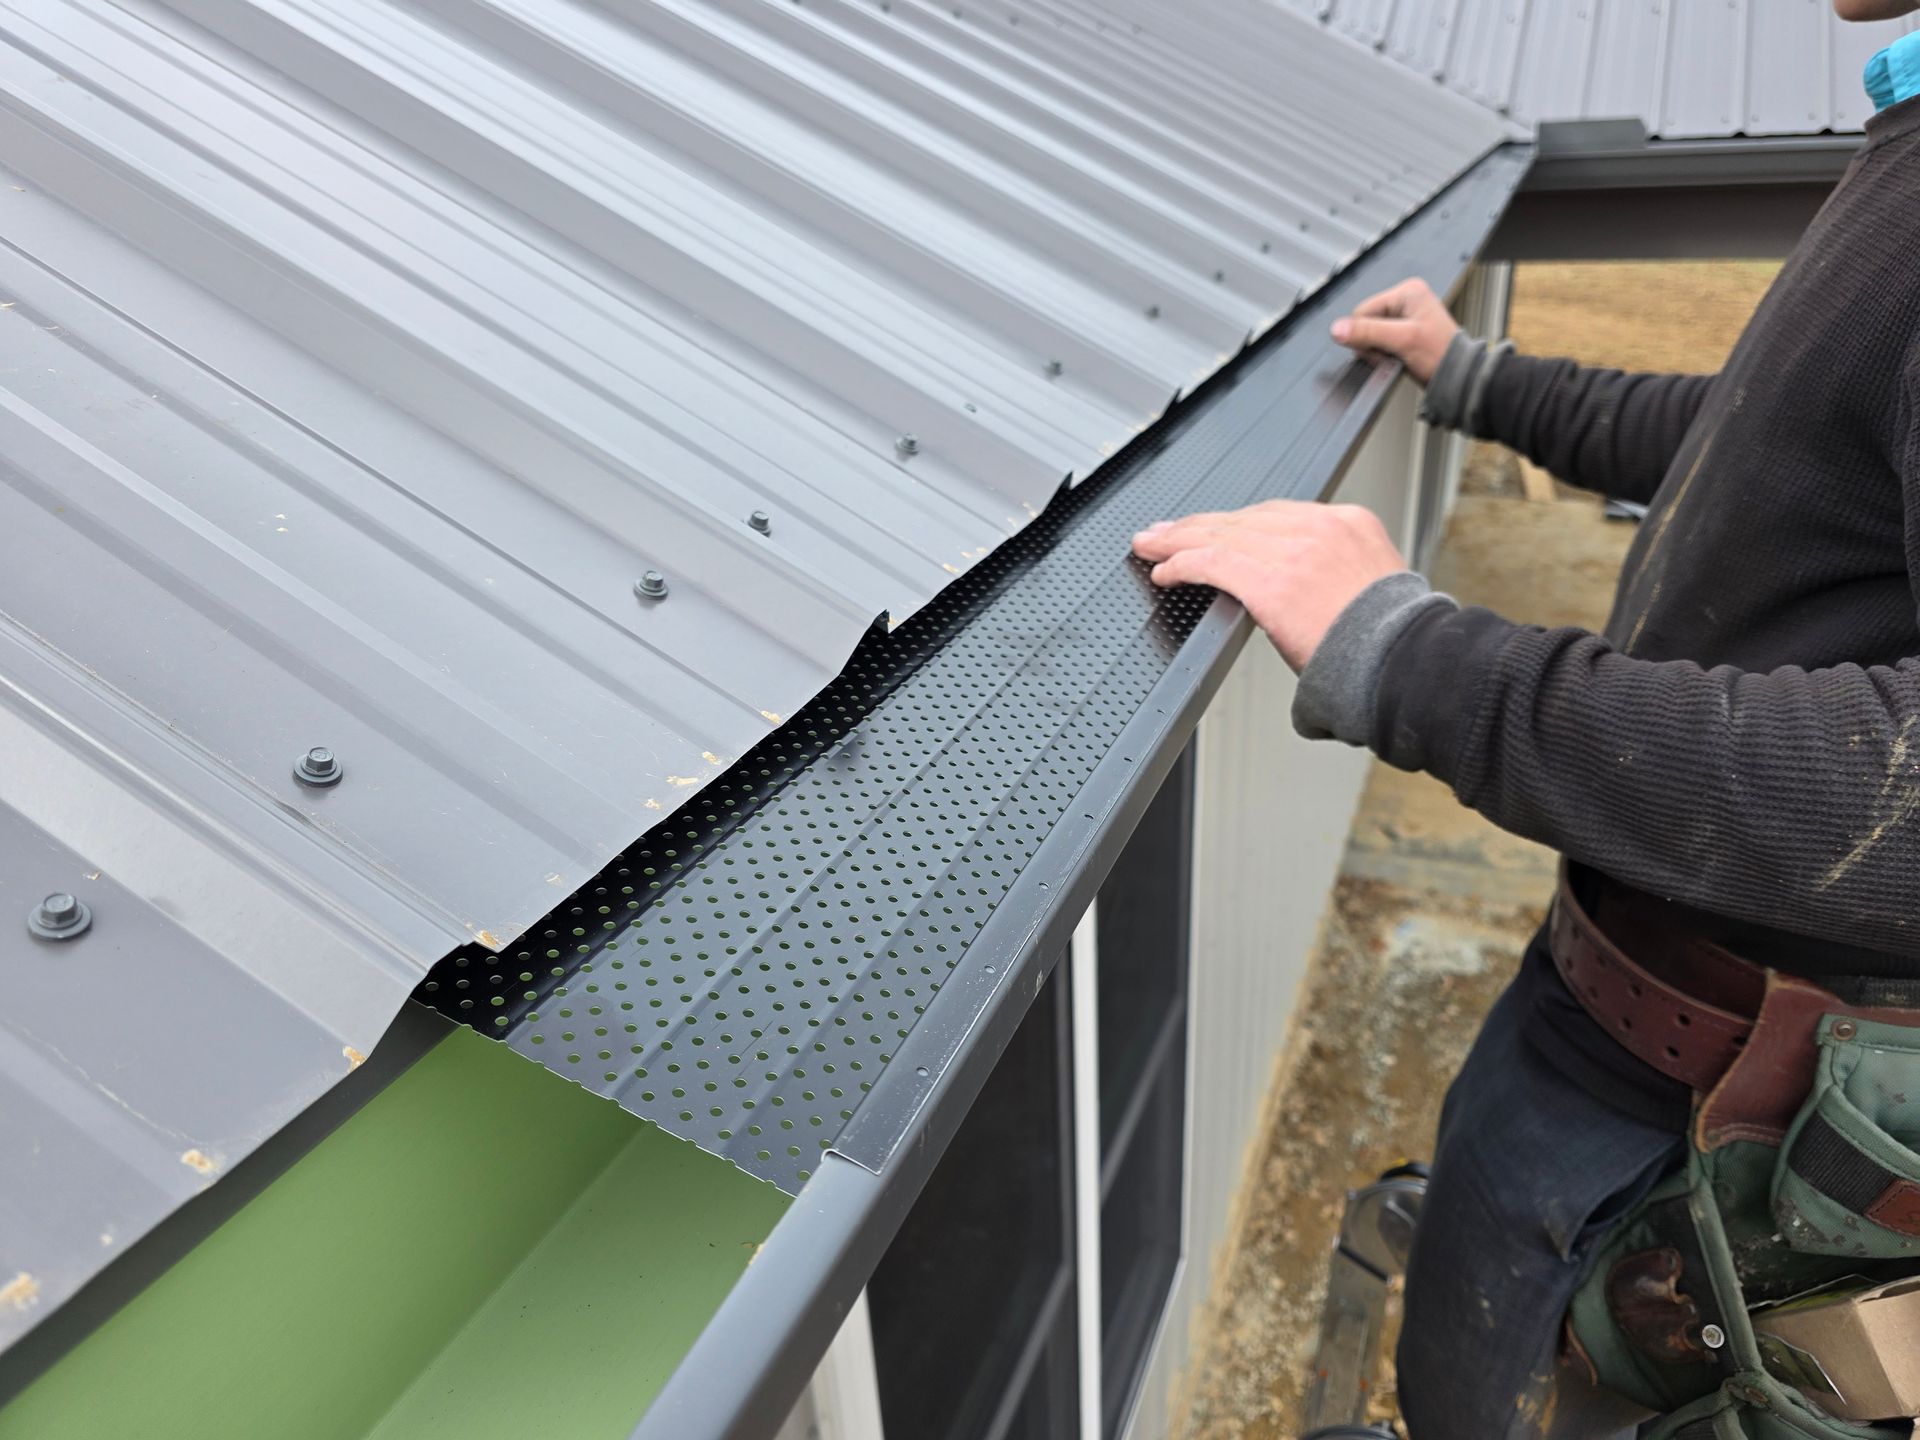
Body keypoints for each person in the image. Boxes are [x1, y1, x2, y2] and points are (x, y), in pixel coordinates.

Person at [1133, 3, 1920, 1435]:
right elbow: (1770, 448)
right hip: (1653, 1058)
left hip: (1726, 1148)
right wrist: (1476, 375)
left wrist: (1421, 657)